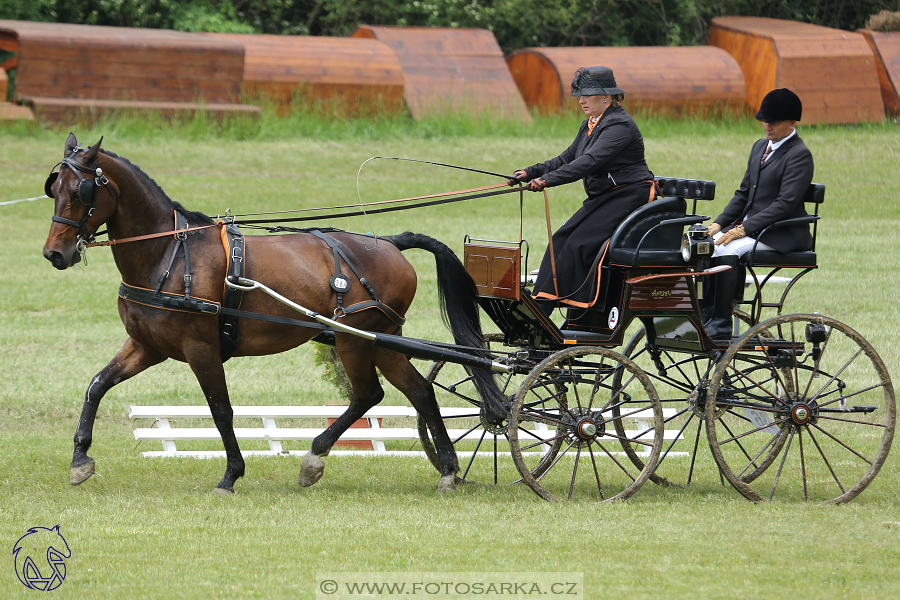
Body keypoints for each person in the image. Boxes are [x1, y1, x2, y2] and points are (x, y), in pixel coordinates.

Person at [509, 66, 655, 312]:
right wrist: (531, 172)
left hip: (630, 197)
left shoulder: (619, 126)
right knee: (560, 239)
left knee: (578, 243)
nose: (581, 100)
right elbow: (567, 157)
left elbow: (587, 163)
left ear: (607, 96)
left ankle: (561, 305)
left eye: (587, 95)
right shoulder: (590, 124)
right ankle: (540, 305)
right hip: (605, 198)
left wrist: (547, 181)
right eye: (580, 95)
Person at [702, 88, 814, 339]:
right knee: (708, 245)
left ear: (792, 123)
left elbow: (784, 204)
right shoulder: (759, 148)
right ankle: (707, 313)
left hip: (780, 232)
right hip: (754, 228)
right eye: (765, 121)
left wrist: (743, 229)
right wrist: (719, 224)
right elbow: (743, 194)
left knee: (729, 250)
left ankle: (721, 323)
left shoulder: (799, 155)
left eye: (773, 122)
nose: (767, 126)